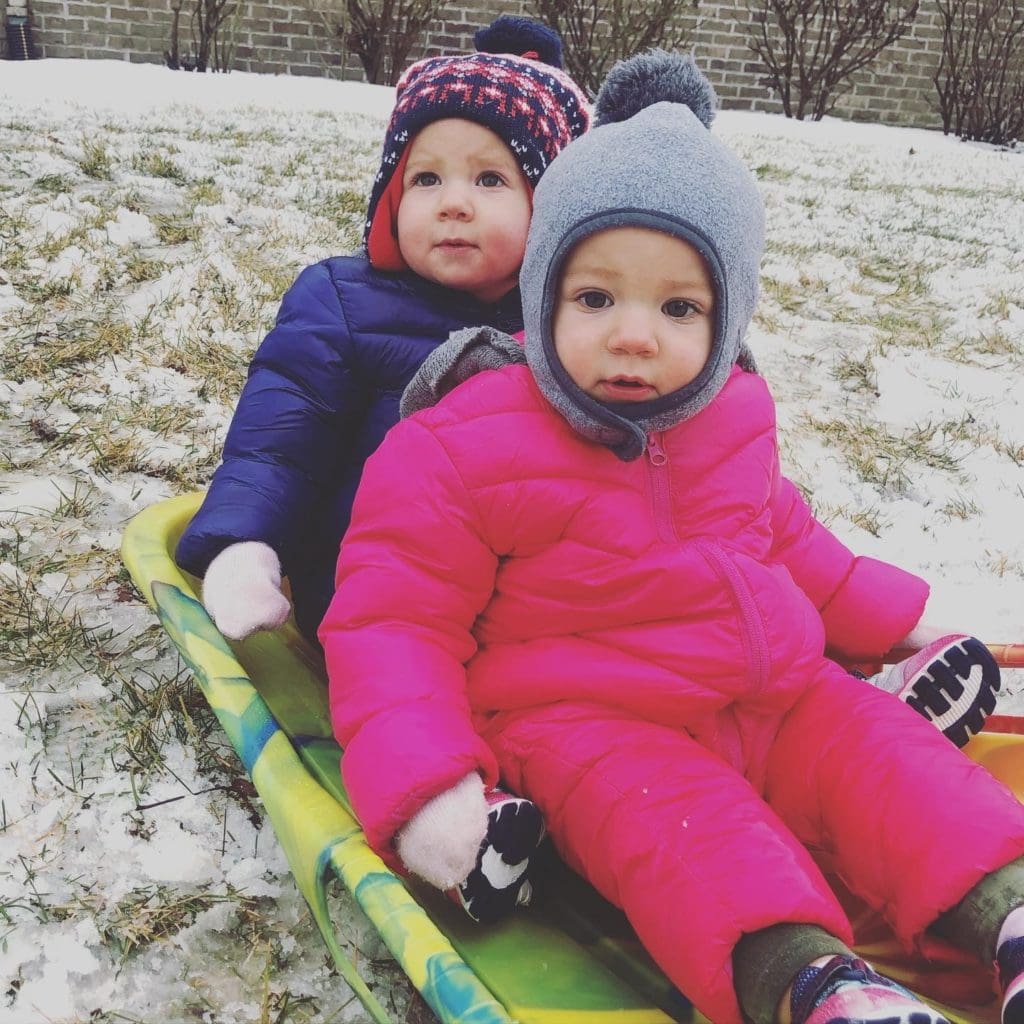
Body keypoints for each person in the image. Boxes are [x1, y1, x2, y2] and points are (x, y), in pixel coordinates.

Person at [320, 50, 1024, 1024]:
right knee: (692, 841)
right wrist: (434, 791)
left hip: (773, 696)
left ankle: (1007, 912)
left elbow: (792, 541)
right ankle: (815, 985)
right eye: (596, 296)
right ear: (541, 294)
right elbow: (392, 625)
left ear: (725, 312)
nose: (634, 334)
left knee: (889, 760)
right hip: (590, 730)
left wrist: (896, 624)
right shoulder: (459, 442)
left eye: (678, 305)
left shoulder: (728, 416)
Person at [175, 15, 590, 923]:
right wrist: (245, 540)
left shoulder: (574, 330)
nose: (452, 202)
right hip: (378, 597)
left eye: (491, 180)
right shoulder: (343, 301)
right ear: (389, 194)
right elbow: (281, 432)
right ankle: (459, 829)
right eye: (426, 178)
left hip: (531, 606)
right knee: (428, 689)